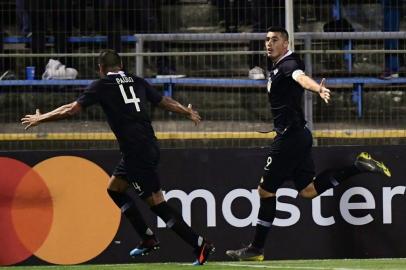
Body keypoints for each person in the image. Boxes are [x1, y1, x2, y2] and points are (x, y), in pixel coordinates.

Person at [21, 49, 215, 265]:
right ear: (121, 64)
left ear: (101, 69)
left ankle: (199, 244)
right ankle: (148, 238)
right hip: (146, 145)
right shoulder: (138, 81)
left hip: (136, 152)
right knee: (115, 189)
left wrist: (42, 118)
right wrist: (186, 112)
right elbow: (163, 101)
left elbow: (70, 109)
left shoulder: (101, 86)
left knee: (158, 203)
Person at [226, 27, 391, 261]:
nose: (269, 44)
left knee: (265, 191)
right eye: (266, 40)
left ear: (286, 43)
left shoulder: (288, 64)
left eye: (274, 40)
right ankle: (359, 166)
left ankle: (256, 249)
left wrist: (318, 88)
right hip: (299, 135)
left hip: (289, 139)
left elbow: (300, 77)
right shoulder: (276, 67)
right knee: (308, 191)